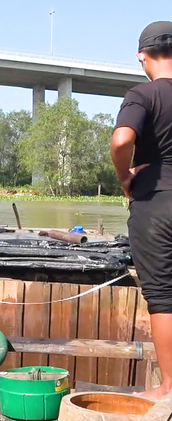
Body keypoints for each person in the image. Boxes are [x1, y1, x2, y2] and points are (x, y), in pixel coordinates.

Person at [110, 21, 172, 400]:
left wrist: (124, 176)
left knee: (164, 297)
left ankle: (170, 388)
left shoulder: (144, 94)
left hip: (156, 204)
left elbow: (122, 139)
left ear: (141, 56)